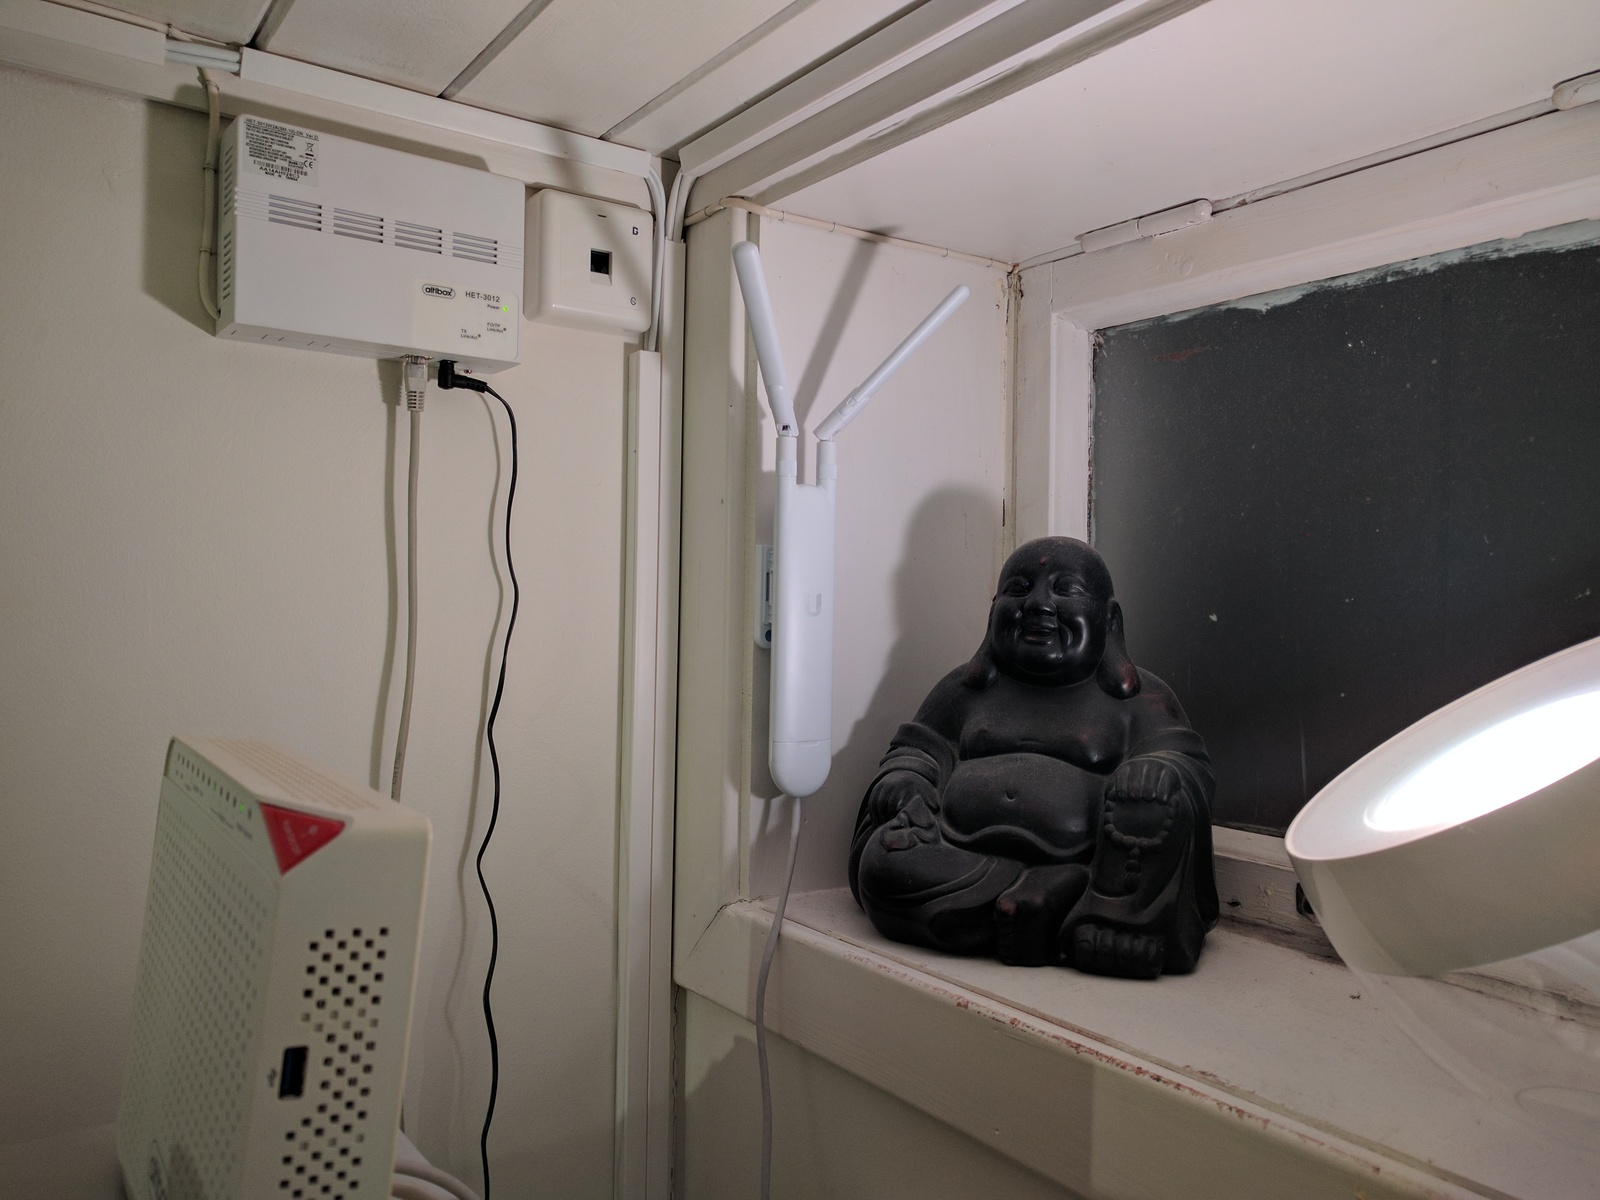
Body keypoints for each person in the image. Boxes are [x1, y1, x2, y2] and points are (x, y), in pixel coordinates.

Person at [849, 537, 1217, 978]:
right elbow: (919, 748)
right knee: (883, 865)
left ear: (1109, 619)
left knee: (1154, 802)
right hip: (959, 853)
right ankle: (1045, 903)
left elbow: (1183, 763)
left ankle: (1102, 909)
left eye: (1066, 589)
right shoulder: (963, 691)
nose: (1039, 604)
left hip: (1086, 856)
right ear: (993, 613)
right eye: (1019, 589)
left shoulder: (1140, 700)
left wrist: (1156, 771)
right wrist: (906, 777)